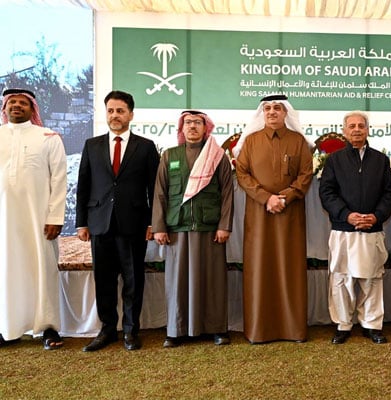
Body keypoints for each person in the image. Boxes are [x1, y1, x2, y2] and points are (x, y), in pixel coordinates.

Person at [76, 90, 160, 351]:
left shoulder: (145, 147)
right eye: (111, 110)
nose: (115, 115)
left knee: (134, 279)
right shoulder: (92, 145)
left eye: (120, 111)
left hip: (133, 224)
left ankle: (131, 331)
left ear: (131, 115)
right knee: (104, 280)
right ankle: (107, 329)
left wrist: (152, 223)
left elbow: (154, 189)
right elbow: (83, 185)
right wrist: (81, 222)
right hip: (99, 223)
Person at [235, 94, 313, 343]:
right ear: (262, 113)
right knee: (260, 267)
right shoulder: (251, 141)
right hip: (259, 215)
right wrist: (266, 198)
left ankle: (294, 330)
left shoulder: (298, 141)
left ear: (285, 113)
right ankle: (259, 330)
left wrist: (285, 197)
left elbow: (305, 173)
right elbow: (243, 173)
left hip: (290, 215)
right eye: (267, 108)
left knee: (289, 267)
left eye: (277, 108)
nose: (271, 112)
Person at [152, 110, 234, 347]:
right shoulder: (170, 156)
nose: (192, 127)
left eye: (197, 123)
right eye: (188, 123)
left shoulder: (218, 156)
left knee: (213, 281)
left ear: (206, 127)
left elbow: (227, 194)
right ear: (181, 128)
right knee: (178, 282)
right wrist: (159, 227)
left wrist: (224, 225)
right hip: (178, 228)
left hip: (210, 229)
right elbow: (160, 193)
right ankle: (176, 330)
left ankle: (217, 329)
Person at [319, 111, 391, 344]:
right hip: (344, 229)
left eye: (361, 125)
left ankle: (372, 325)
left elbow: (389, 193)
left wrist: (376, 216)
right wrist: (347, 215)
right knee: (341, 278)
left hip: (371, 229)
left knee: (371, 278)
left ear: (368, 130)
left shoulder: (380, 160)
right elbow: (327, 192)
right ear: (344, 131)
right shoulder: (334, 160)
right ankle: (343, 325)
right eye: (351, 126)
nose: (356, 130)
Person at [0, 88, 67, 350]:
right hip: (4, 220)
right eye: (12, 102)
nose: (17, 106)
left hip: (39, 219)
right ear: (4, 108)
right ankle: (8, 327)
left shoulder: (48, 137)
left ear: (32, 109)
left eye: (23, 103)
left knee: (43, 268)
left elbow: (59, 179)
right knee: (6, 269)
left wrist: (55, 217)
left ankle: (47, 328)